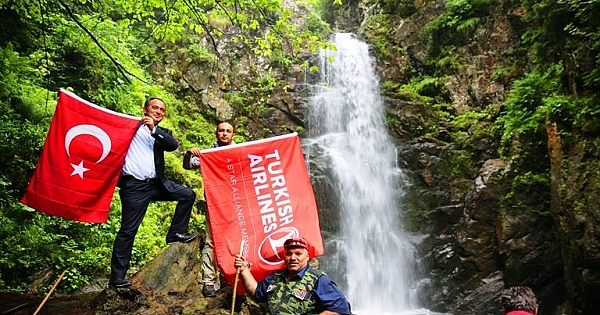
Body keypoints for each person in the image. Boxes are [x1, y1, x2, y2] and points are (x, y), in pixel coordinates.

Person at [109, 97, 198, 288]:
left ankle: (176, 233)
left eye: (161, 110)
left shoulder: (162, 133)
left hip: (157, 184)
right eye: (154, 108)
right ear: (145, 110)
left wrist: (154, 130)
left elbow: (172, 145)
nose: (158, 111)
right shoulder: (130, 128)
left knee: (187, 194)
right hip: (134, 187)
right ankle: (117, 278)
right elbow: (105, 123)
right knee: (128, 231)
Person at [234, 237, 351, 315]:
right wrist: (244, 270)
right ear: (284, 257)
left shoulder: (319, 280)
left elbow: (340, 308)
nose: (293, 258)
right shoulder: (275, 277)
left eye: (298, 254)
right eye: (289, 254)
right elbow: (256, 293)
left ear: (307, 257)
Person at [183, 122, 235, 297]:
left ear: (233, 135)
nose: (225, 134)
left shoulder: (239, 152)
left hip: (235, 204)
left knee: (233, 242)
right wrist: (188, 153)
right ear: (216, 133)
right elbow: (188, 165)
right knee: (212, 242)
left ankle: (228, 279)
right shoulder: (207, 155)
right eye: (222, 130)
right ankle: (208, 282)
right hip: (214, 203)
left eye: (228, 131)